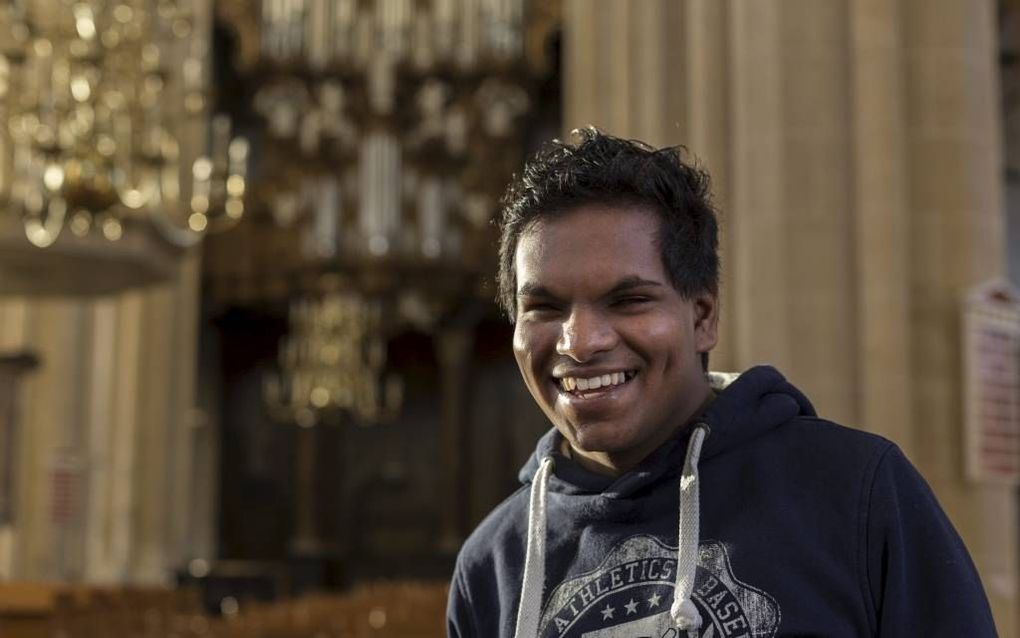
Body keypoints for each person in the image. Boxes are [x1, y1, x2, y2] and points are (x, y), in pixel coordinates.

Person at [446, 128, 997, 637]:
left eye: (629, 300)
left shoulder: (856, 494)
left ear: (703, 315)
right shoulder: (494, 563)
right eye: (543, 306)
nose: (579, 341)